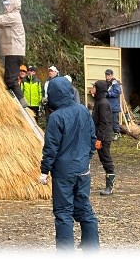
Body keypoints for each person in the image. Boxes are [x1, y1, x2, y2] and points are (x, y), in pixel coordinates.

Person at [39, 75, 100, 252]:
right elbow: (92, 138)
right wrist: (86, 158)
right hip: (82, 169)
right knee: (85, 209)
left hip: (63, 172)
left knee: (63, 212)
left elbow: (51, 148)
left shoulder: (55, 117)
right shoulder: (83, 110)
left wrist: (44, 171)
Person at [90, 80, 115, 195]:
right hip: (97, 135)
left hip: (103, 137)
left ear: (98, 89)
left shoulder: (103, 103)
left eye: (94, 87)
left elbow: (105, 123)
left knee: (106, 159)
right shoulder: (98, 101)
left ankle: (110, 187)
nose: (92, 89)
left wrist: (99, 139)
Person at [104, 69, 122, 140]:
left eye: (109, 75)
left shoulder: (115, 83)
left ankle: (117, 133)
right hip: (107, 106)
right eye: (106, 75)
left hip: (114, 106)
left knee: (115, 121)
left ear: (112, 75)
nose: (107, 77)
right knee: (107, 121)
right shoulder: (106, 83)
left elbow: (117, 93)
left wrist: (108, 94)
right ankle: (109, 134)